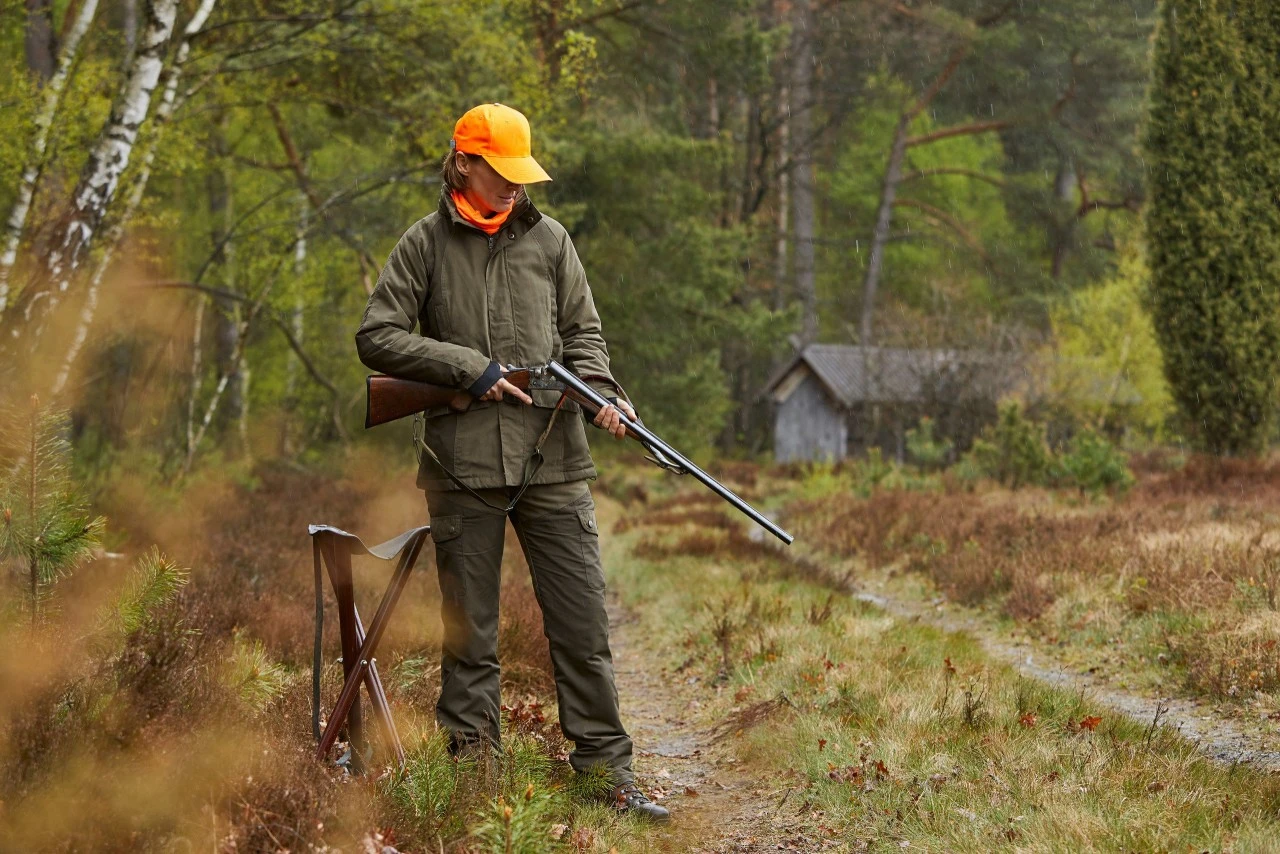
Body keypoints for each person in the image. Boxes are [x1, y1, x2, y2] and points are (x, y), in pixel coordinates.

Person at [354, 103, 668, 822]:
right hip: (461, 468)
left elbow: (583, 336)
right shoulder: (424, 243)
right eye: (500, 172)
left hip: (553, 459)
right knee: (470, 638)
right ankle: (474, 782)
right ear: (463, 163)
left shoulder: (552, 241)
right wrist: (468, 367)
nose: (513, 186)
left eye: (520, 174)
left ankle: (606, 776)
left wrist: (605, 395)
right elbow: (377, 336)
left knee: (583, 626)